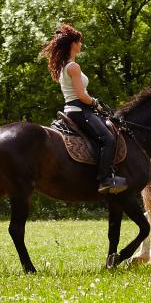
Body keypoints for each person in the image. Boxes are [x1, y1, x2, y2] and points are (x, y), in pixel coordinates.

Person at [41, 24, 127, 195]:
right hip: (80, 110)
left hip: (75, 109)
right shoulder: (73, 67)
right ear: (73, 44)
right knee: (108, 139)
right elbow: (81, 95)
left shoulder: (66, 66)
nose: (81, 45)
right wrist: (95, 102)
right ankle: (105, 180)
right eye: (79, 42)